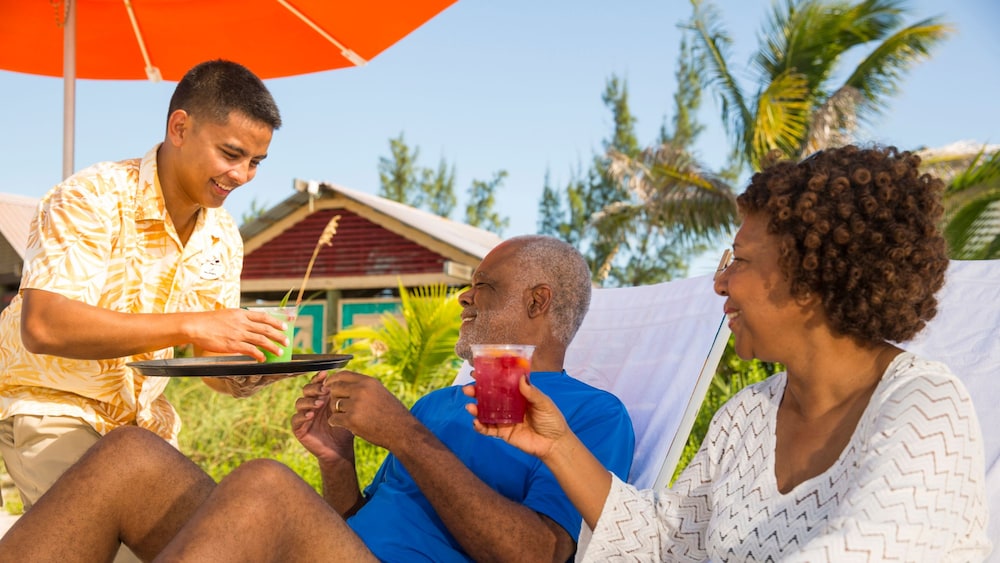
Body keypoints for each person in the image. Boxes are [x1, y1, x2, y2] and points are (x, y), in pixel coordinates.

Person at [471, 146, 992, 561]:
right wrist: (557, 444)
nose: (719, 283)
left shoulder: (926, 407)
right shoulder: (747, 416)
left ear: (809, 278)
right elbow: (665, 544)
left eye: (739, 260)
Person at [0, 234, 636, 562]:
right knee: (132, 455)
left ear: (538, 302)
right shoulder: (446, 404)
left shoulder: (591, 415)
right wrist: (338, 460)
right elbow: (358, 525)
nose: (465, 298)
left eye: (483, 287)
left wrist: (405, 437)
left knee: (268, 487)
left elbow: (540, 556)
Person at [0, 59, 290, 513]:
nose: (242, 175)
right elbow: (43, 326)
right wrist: (193, 326)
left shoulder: (223, 236)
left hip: (145, 430)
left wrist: (243, 374)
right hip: (55, 412)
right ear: (179, 128)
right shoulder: (90, 196)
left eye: (256, 162)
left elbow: (207, 355)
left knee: (214, 540)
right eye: (231, 154)